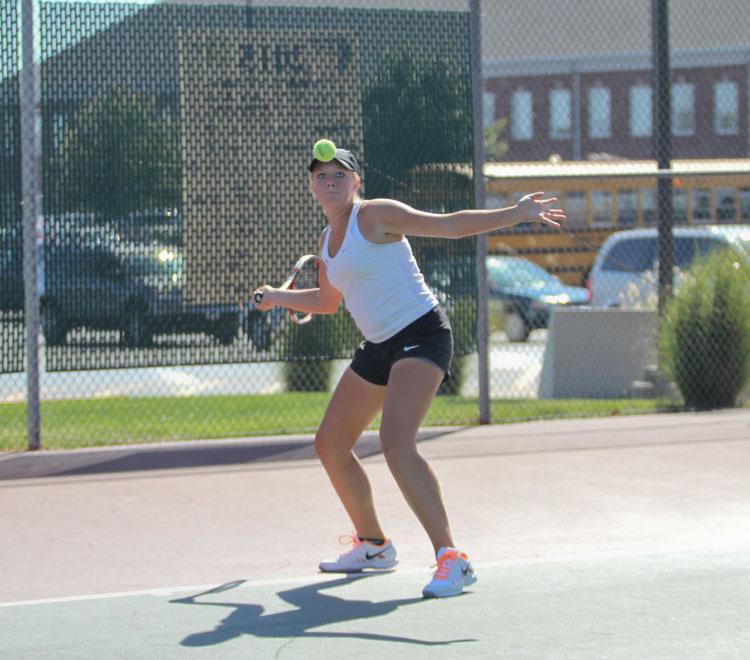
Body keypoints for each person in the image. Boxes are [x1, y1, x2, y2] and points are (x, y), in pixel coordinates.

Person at [253, 144, 565, 598]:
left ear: (357, 182)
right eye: (321, 176)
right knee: (330, 444)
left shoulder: (377, 215)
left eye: (339, 175)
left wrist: (514, 212)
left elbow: (451, 225)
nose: (330, 182)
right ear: (311, 186)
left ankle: (451, 558)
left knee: (396, 443)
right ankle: (374, 545)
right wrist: (276, 296)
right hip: (379, 346)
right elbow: (326, 301)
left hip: (422, 333)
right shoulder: (327, 244)